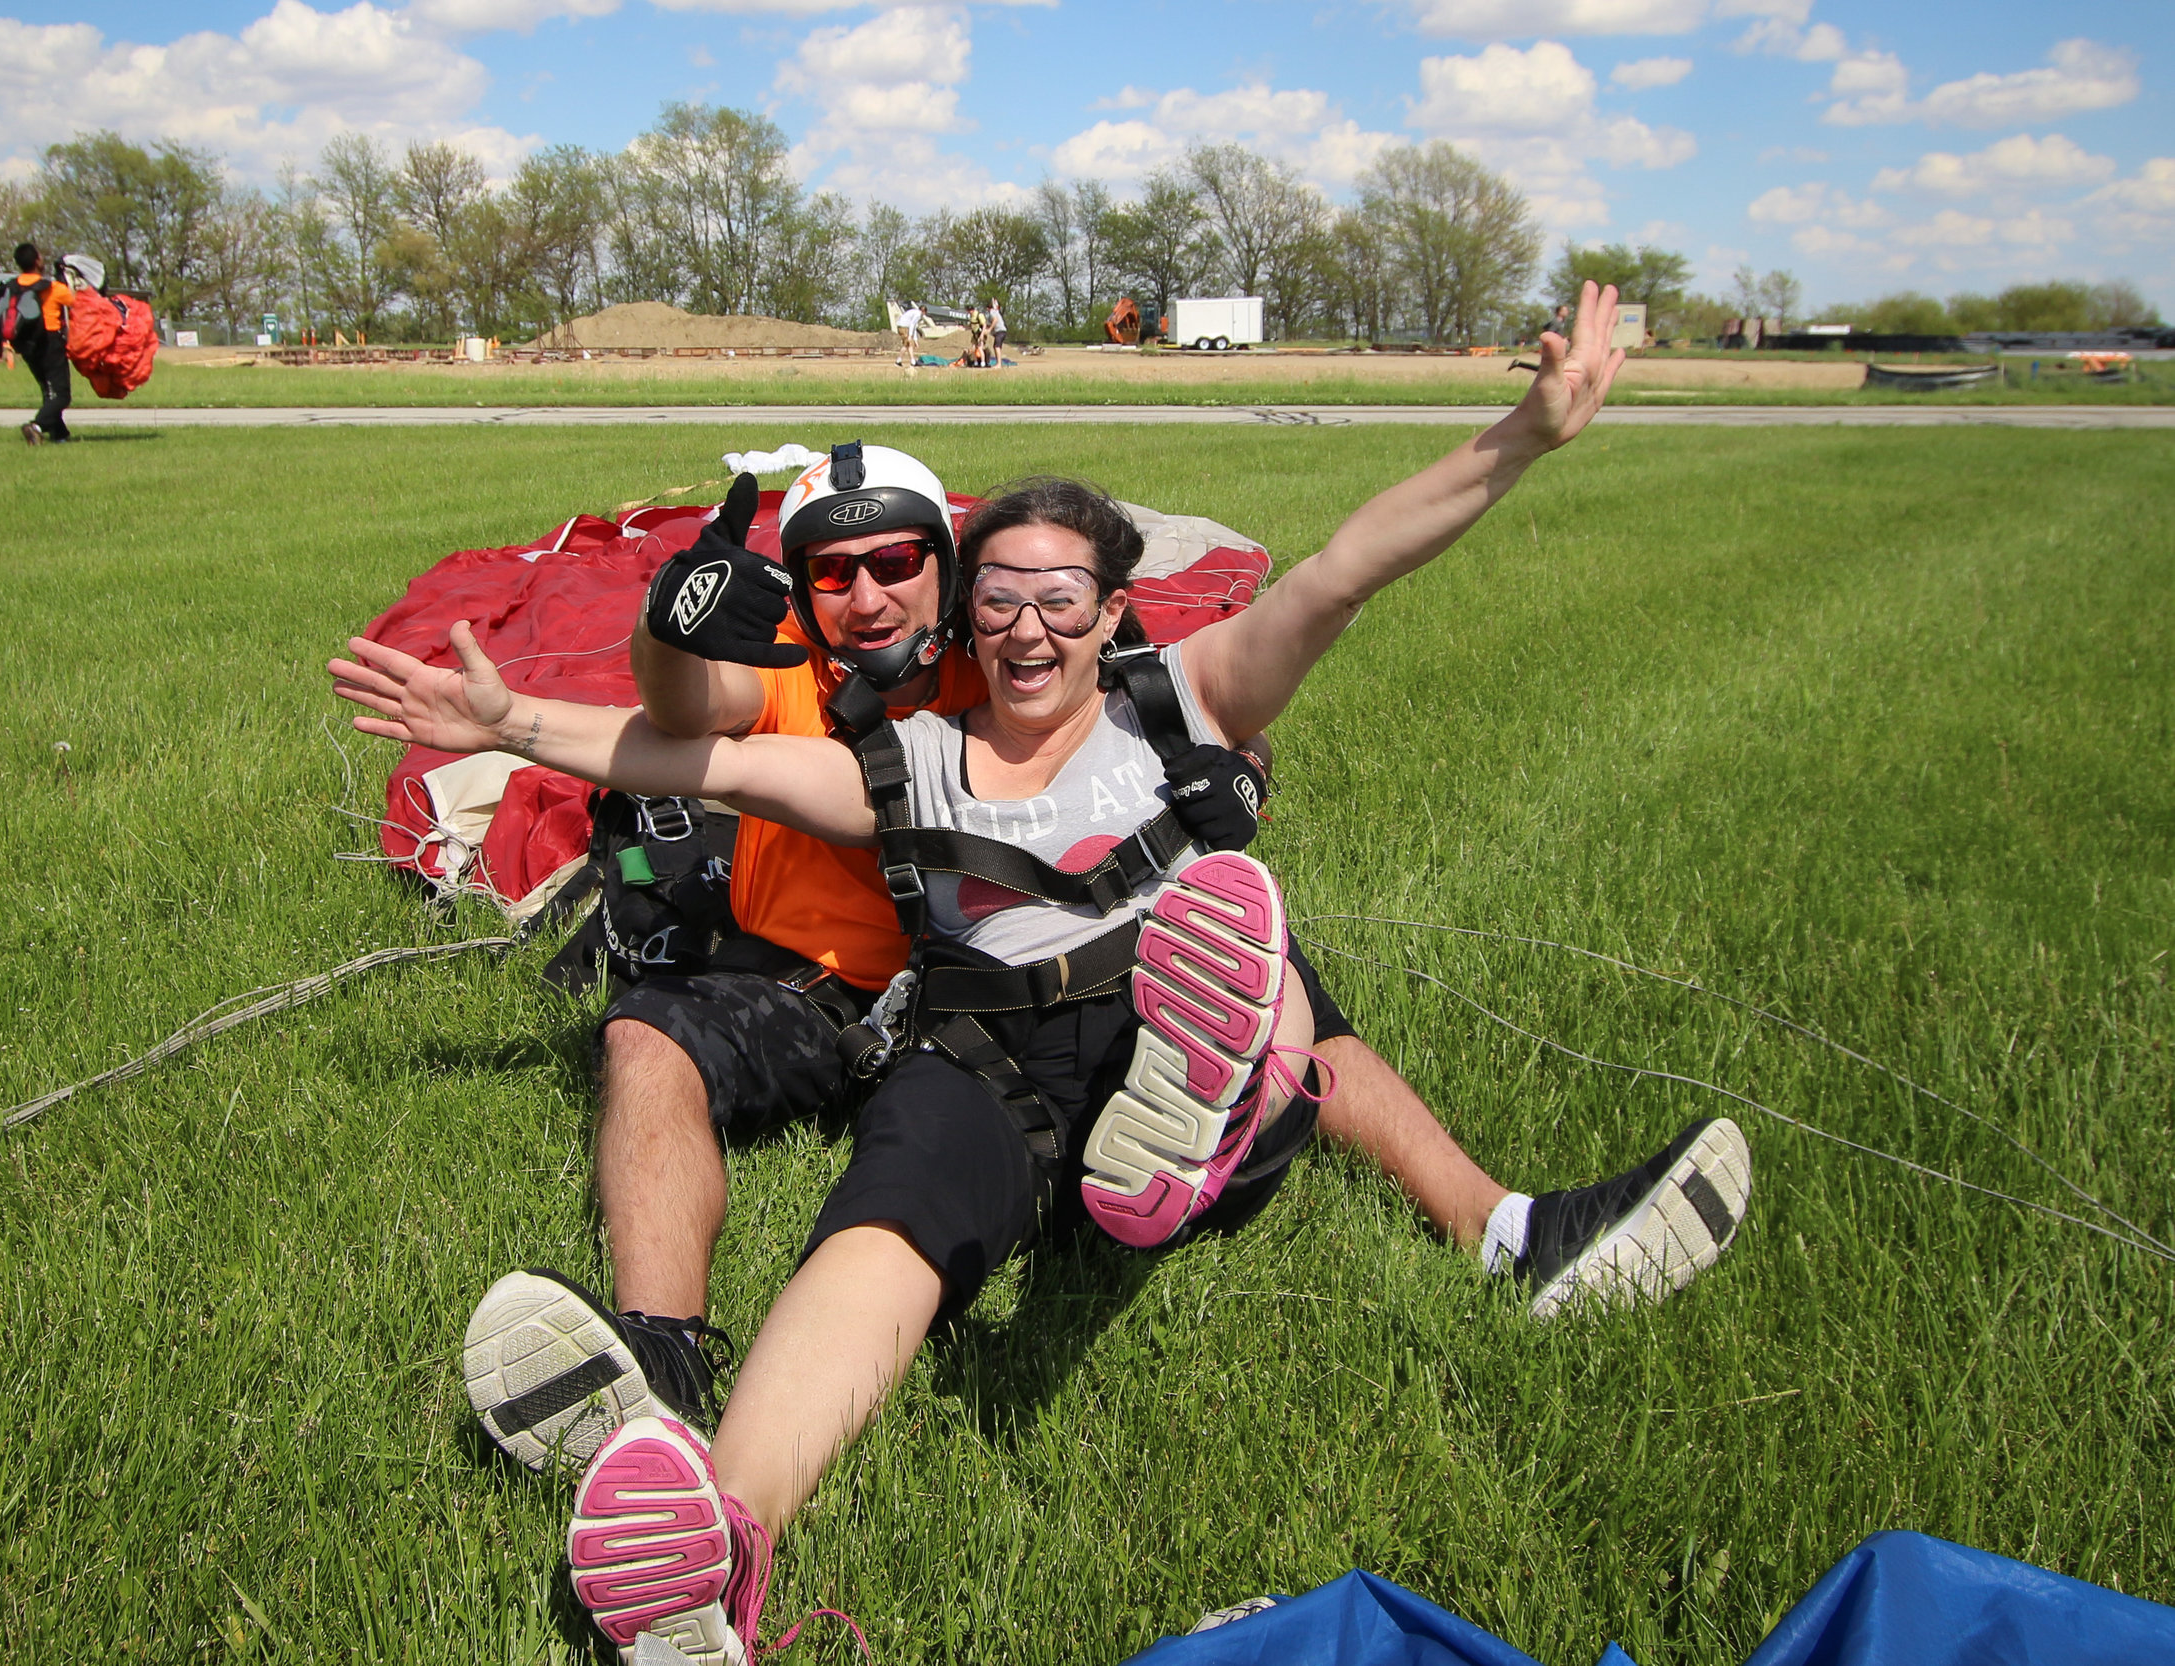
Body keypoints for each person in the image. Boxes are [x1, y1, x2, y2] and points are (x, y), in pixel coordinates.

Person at [331, 283, 1757, 1666]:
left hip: (1158, 1013)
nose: (1027, 622)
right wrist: (511, 717)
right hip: (989, 1064)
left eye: (1060, 593)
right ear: (975, 615)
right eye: (1001, 594)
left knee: (1236, 943)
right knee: (876, 1229)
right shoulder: (904, 763)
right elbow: (690, 754)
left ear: (1112, 604)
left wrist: (1519, 441)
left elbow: (1348, 565)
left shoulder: (1184, 697)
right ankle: (721, 1541)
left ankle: (1215, 1131)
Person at [0, 243, 74, 445]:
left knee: (48, 390)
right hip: (50, 342)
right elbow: (79, 302)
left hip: (26, 345)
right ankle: (36, 427)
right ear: (37, 261)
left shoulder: (11, 287)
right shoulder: (53, 288)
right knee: (62, 395)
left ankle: (59, 435)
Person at [986, 295, 1007, 368]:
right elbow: (989, 324)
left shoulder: (992, 312)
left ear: (988, 308)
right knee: (997, 347)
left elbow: (995, 320)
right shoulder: (995, 312)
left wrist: (989, 329)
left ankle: (999, 364)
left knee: (996, 347)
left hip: (1000, 331)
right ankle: (999, 363)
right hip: (1003, 331)